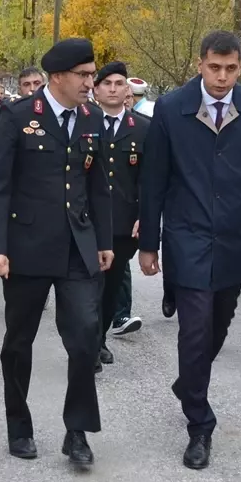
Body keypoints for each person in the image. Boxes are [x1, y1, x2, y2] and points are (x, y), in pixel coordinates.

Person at [138, 30, 241, 471]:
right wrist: (148, 244)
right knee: (195, 330)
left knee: (217, 327)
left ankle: (189, 382)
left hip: (236, 241)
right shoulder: (171, 109)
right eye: (214, 68)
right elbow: (154, 179)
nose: (222, 77)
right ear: (200, 63)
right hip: (187, 236)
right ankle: (200, 424)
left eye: (231, 69)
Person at [0, 38, 112, 466]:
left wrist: (105, 242)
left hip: (78, 248)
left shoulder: (93, 119)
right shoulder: (18, 117)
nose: (90, 83)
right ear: (57, 77)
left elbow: (99, 190)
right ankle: (18, 426)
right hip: (27, 249)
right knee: (19, 342)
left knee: (84, 339)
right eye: (84, 75)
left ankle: (77, 432)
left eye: (92, 74)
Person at [91, 61, 148, 369]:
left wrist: (146, 215)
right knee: (88, 287)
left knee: (111, 289)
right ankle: (89, 344)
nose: (113, 88)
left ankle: (98, 339)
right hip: (86, 222)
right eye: (107, 83)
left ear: (127, 90)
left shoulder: (142, 128)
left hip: (123, 225)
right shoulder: (84, 123)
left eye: (119, 83)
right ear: (96, 89)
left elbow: (148, 179)